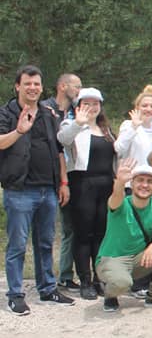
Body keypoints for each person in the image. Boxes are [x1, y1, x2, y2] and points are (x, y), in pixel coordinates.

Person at [1, 65, 75, 314]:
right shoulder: (6, 113)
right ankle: (15, 294)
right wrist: (18, 131)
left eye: (36, 84)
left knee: (45, 243)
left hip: (48, 189)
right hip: (19, 190)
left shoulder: (48, 114)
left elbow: (58, 151)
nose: (32, 88)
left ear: (42, 88)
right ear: (17, 86)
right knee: (18, 245)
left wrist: (63, 183)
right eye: (27, 83)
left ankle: (47, 288)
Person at [57, 87, 116, 300]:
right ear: (79, 106)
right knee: (83, 234)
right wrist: (78, 122)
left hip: (106, 185)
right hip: (83, 183)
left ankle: (99, 278)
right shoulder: (71, 125)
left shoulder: (106, 130)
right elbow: (62, 139)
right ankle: (85, 280)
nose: (92, 107)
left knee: (101, 234)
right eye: (86, 103)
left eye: (95, 103)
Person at [97, 159, 152, 311]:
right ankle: (110, 293)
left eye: (150, 181)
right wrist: (119, 182)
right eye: (140, 180)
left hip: (137, 260)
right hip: (112, 259)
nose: (145, 185)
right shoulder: (121, 203)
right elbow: (116, 198)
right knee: (122, 283)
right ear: (132, 183)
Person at [43, 73, 81, 290]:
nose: (79, 91)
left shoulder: (77, 111)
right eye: (77, 86)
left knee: (71, 227)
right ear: (63, 86)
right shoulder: (45, 109)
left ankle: (67, 275)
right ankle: (49, 278)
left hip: (75, 176)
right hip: (51, 177)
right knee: (48, 231)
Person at [115, 87, 152, 166]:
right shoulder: (128, 125)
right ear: (137, 107)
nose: (148, 109)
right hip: (134, 172)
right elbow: (119, 150)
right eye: (144, 106)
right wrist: (133, 128)